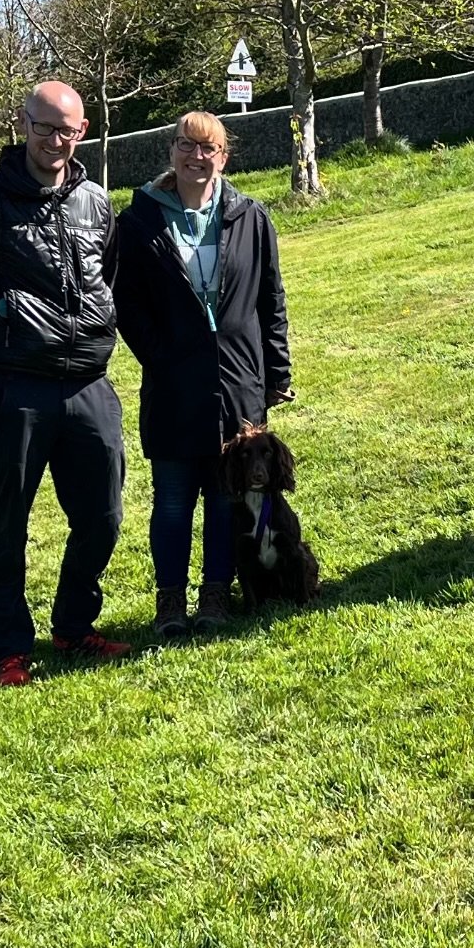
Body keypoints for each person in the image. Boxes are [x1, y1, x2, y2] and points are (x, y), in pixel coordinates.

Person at [0, 80, 131, 685]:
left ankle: (74, 627)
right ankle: (9, 647)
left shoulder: (97, 203)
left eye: (67, 129)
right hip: (16, 388)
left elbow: (110, 279)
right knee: (8, 523)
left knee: (103, 515)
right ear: (22, 125)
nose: (55, 140)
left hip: (89, 385)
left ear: (84, 132)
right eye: (44, 126)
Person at [112, 111, 293, 640]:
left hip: (239, 384)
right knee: (172, 500)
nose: (197, 157)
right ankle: (169, 602)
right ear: (171, 151)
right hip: (173, 386)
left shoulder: (249, 216)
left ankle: (217, 593)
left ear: (224, 157)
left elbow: (270, 299)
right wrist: (160, 355)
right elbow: (128, 303)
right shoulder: (139, 221)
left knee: (225, 498)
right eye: (186, 146)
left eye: (208, 149)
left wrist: (275, 372)